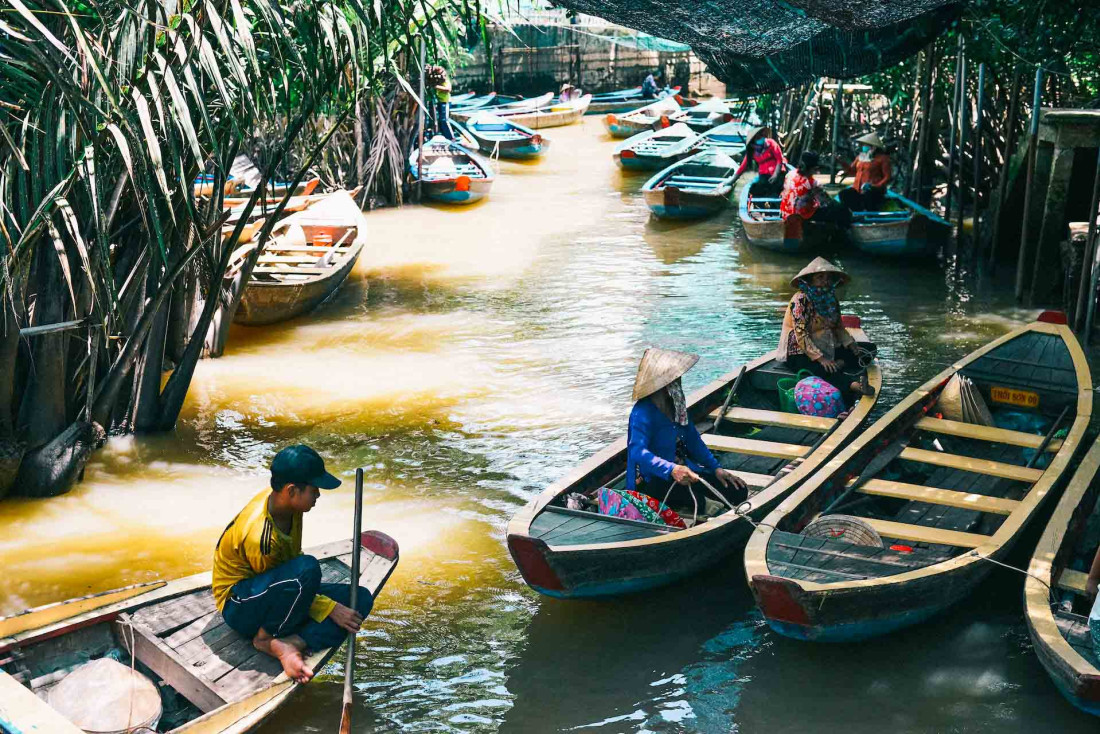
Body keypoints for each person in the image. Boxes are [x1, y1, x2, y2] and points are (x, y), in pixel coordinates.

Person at [212, 445, 373, 683]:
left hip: (279, 588)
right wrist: (328, 608)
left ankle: (295, 642)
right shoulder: (261, 536)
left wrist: (332, 606)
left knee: (359, 599)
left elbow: (288, 575)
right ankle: (267, 640)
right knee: (307, 568)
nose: (318, 494)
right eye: (313, 489)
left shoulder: (290, 508)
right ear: (291, 490)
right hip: (240, 604)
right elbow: (283, 588)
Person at [626, 348, 749, 512]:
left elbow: (692, 439)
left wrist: (716, 468)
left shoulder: (675, 405)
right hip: (653, 480)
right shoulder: (642, 413)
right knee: (700, 501)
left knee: (738, 491)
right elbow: (637, 451)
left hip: (684, 473)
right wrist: (671, 469)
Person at [776, 258, 875, 404]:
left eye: (828, 278)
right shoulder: (801, 299)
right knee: (824, 370)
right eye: (820, 277)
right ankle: (854, 385)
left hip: (826, 346)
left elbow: (838, 327)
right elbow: (801, 334)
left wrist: (851, 345)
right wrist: (821, 359)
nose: (825, 281)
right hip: (799, 352)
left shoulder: (831, 298)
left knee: (869, 350)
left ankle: (839, 363)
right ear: (810, 280)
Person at [781, 151, 851, 228]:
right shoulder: (811, 183)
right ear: (814, 168)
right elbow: (826, 201)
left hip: (786, 212)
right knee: (842, 211)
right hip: (801, 215)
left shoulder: (790, 174)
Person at [836, 132, 892, 212]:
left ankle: (869, 213)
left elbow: (887, 177)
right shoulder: (860, 157)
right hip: (857, 189)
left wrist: (876, 186)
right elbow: (852, 171)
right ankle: (854, 212)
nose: (863, 147)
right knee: (843, 194)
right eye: (863, 145)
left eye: (865, 145)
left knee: (868, 195)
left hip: (873, 190)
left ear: (873, 147)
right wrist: (842, 162)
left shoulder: (883, 159)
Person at [732, 126, 787, 197]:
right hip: (764, 175)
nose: (761, 138)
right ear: (753, 140)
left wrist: (775, 175)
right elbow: (743, 167)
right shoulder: (751, 150)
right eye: (758, 137)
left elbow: (779, 160)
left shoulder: (771, 143)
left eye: (761, 136)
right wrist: (732, 180)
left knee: (775, 188)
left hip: (778, 172)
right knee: (755, 190)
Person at [431, 65, 454, 140]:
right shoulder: (437, 80)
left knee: (444, 120)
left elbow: (448, 89)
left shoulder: (445, 80)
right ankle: (445, 136)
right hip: (440, 102)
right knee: (440, 120)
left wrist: (436, 87)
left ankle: (451, 137)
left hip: (445, 101)